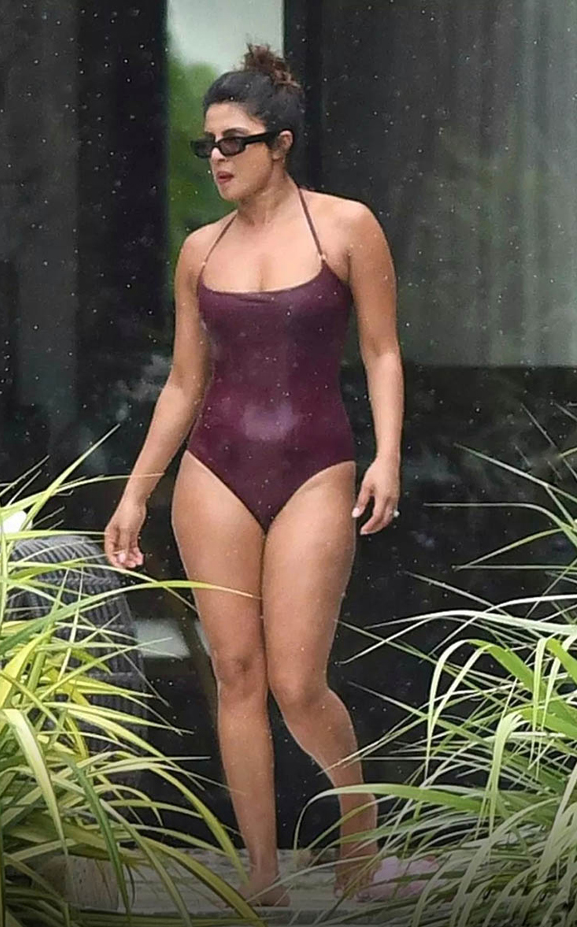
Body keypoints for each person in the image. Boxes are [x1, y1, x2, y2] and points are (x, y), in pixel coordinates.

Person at [104, 43, 404, 908]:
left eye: (234, 142)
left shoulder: (348, 227)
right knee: (234, 673)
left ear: (282, 143)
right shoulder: (199, 250)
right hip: (215, 470)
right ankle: (262, 874)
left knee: (296, 683)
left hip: (316, 465)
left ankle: (358, 827)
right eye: (207, 145)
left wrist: (387, 454)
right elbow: (183, 383)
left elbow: (382, 351)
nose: (217, 158)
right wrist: (136, 491)